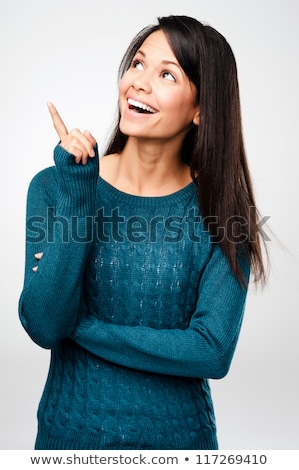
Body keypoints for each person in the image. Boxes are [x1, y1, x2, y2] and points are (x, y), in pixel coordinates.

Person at [19, 15, 267, 450]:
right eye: (137, 63)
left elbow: (211, 351)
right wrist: (79, 194)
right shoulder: (56, 188)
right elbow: (43, 325)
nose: (139, 83)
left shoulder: (224, 213)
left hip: (179, 444)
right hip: (68, 440)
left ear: (201, 109)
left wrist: (80, 324)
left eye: (166, 74)